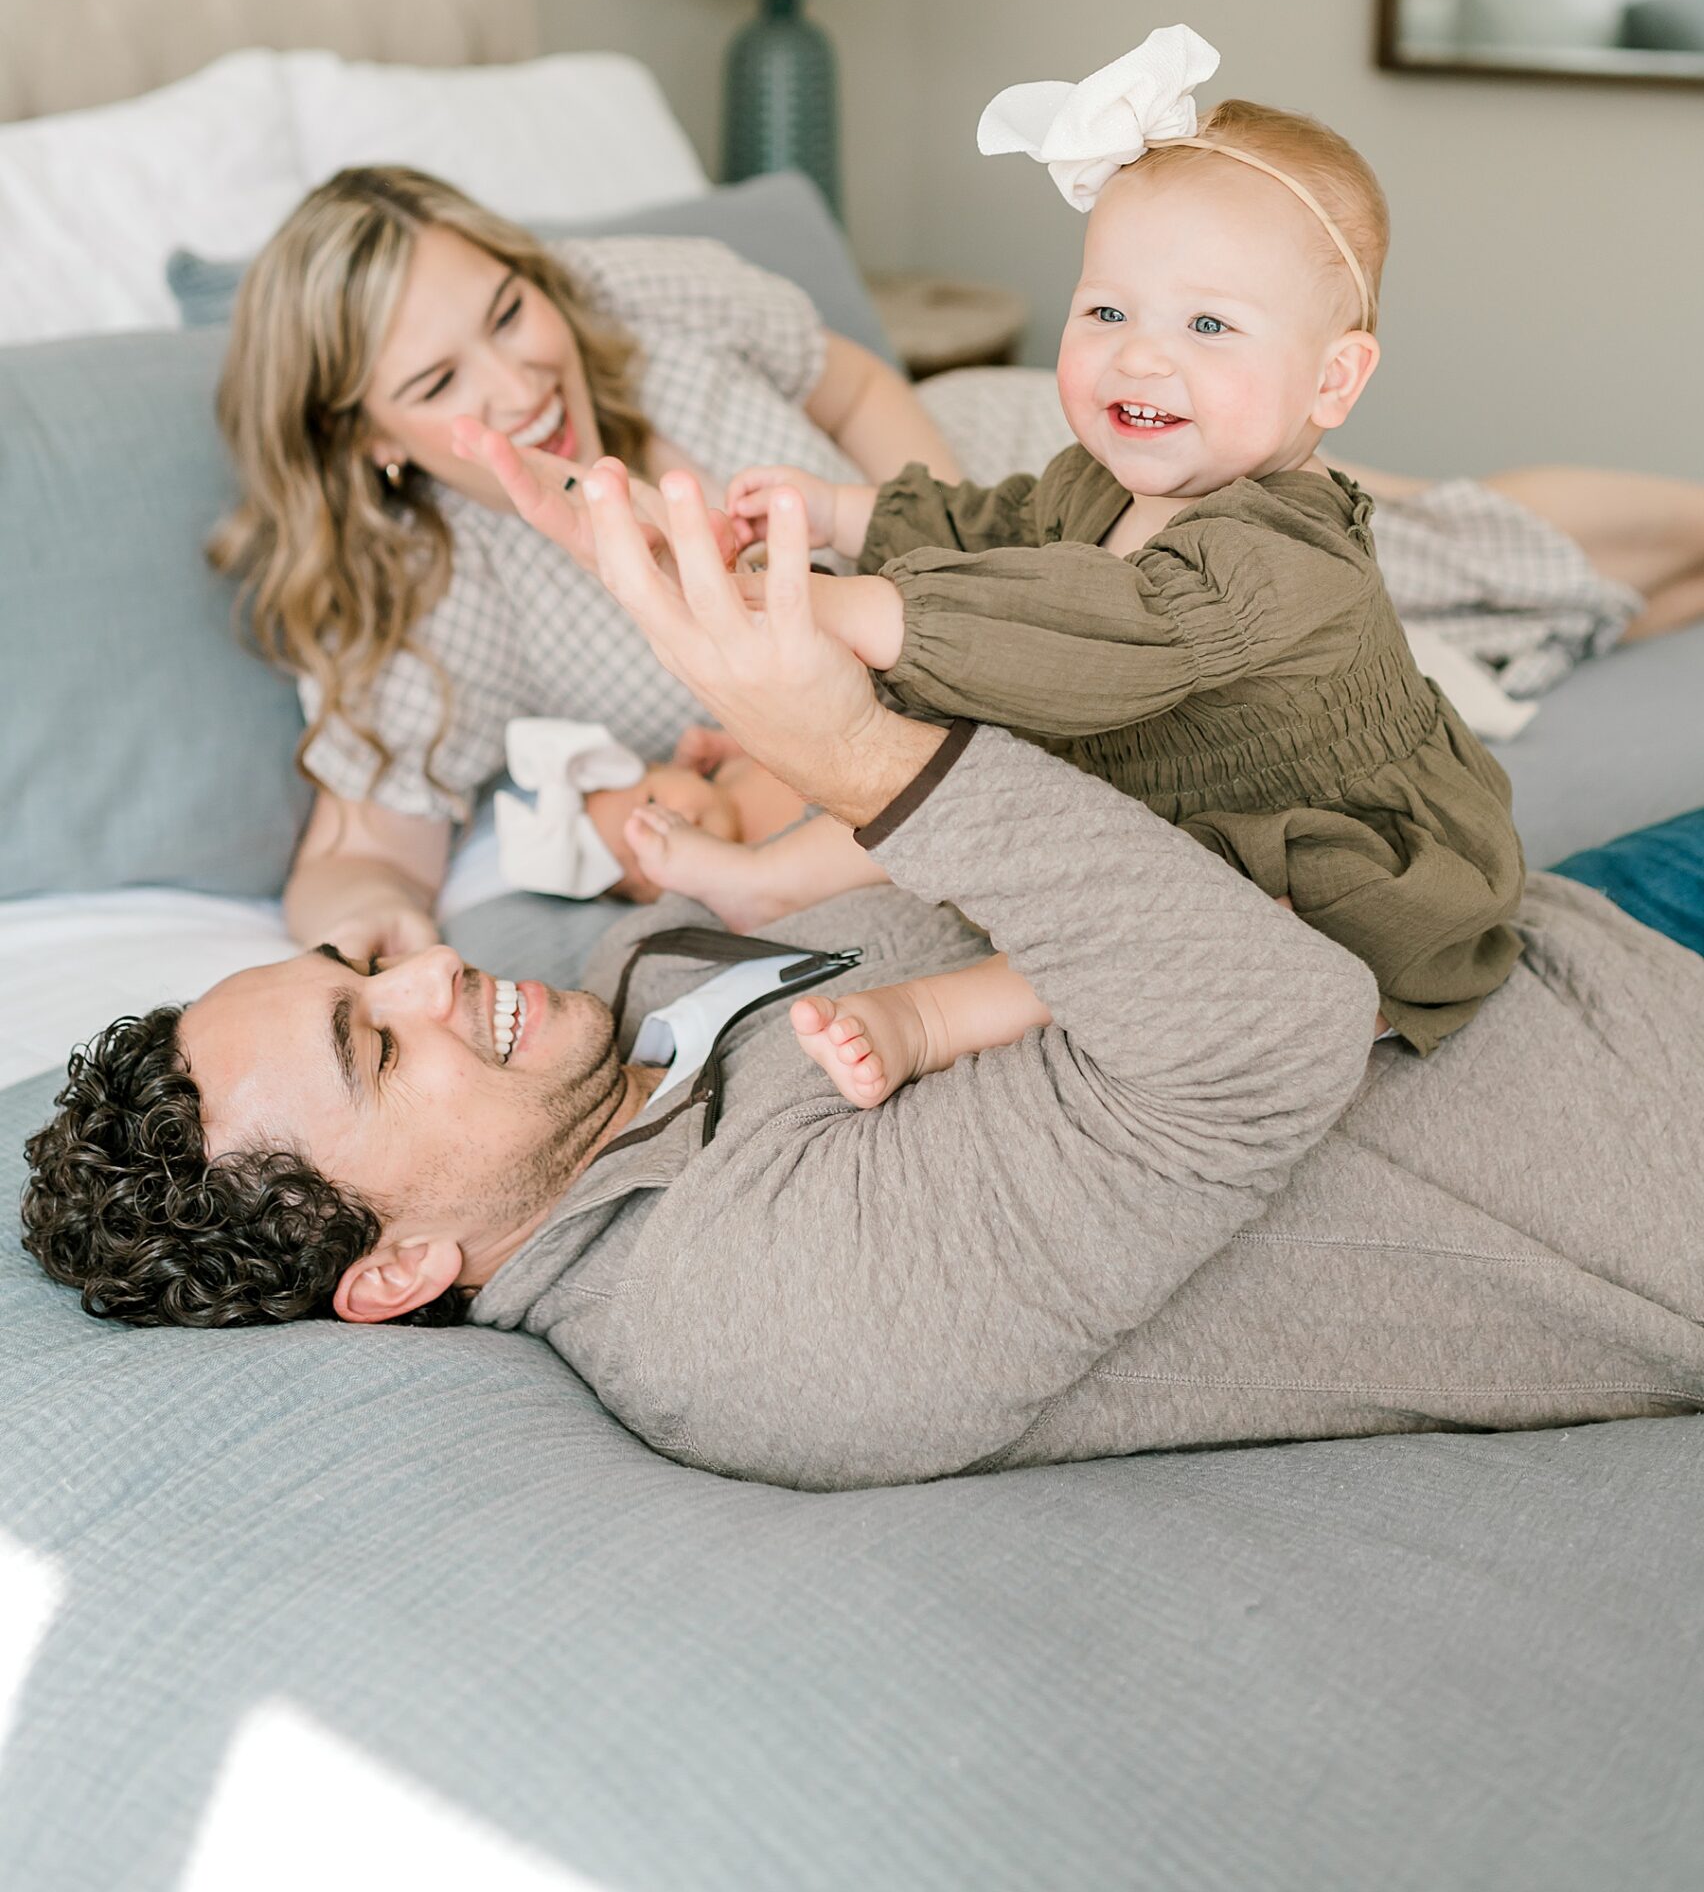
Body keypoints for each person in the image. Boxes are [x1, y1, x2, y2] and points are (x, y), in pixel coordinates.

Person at [21, 465, 1704, 1493]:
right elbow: (1271, 1029)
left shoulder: (642, 968)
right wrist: (852, 751)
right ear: (394, 1272)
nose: (429, 977)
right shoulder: (747, 1320)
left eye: (359, 973)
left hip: (1559, 917)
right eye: (374, 1054)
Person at [468, 31, 1525, 1098]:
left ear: (1332, 383)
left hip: (1321, 856)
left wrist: (859, 608)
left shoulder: (1287, 555)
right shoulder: (1098, 485)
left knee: (1188, 919)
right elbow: (992, 528)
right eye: (1108, 310)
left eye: (1209, 323)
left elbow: (1109, 626)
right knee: (965, 756)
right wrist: (841, 511)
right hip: (1155, 799)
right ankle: (767, 879)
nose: (1141, 353)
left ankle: (930, 1017)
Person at [211, 164, 962, 966]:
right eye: (437, 382)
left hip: (988, 489)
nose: (518, 384)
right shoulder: (443, 583)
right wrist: (370, 918)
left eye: (507, 313)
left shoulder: (633, 298)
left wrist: (972, 568)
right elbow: (364, 855)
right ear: (371, 439)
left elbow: (850, 391)